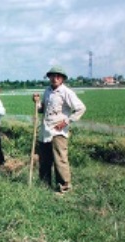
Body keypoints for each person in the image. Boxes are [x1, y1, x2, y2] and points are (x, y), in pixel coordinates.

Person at [32, 66, 86, 194]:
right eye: (52, 76)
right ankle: (44, 185)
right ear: (49, 77)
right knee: (44, 159)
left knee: (60, 159)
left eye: (58, 76)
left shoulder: (66, 92)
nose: (55, 78)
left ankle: (64, 187)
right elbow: (42, 109)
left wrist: (66, 121)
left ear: (62, 79)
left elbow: (81, 108)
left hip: (58, 132)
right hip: (45, 131)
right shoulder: (47, 91)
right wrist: (36, 102)